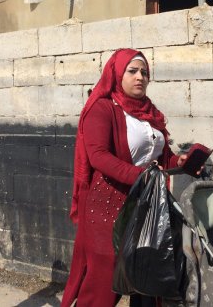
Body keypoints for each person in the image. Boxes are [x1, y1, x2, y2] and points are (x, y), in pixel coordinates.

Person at [61, 48, 189, 307]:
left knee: (146, 278)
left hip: (147, 207)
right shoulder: (102, 107)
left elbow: (161, 156)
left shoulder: (148, 112)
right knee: (103, 286)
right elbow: (98, 155)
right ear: (117, 74)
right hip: (109, 208)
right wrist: (142, 177)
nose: (140, 77)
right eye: (132, 71)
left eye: (144, 72)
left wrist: (181, 162)